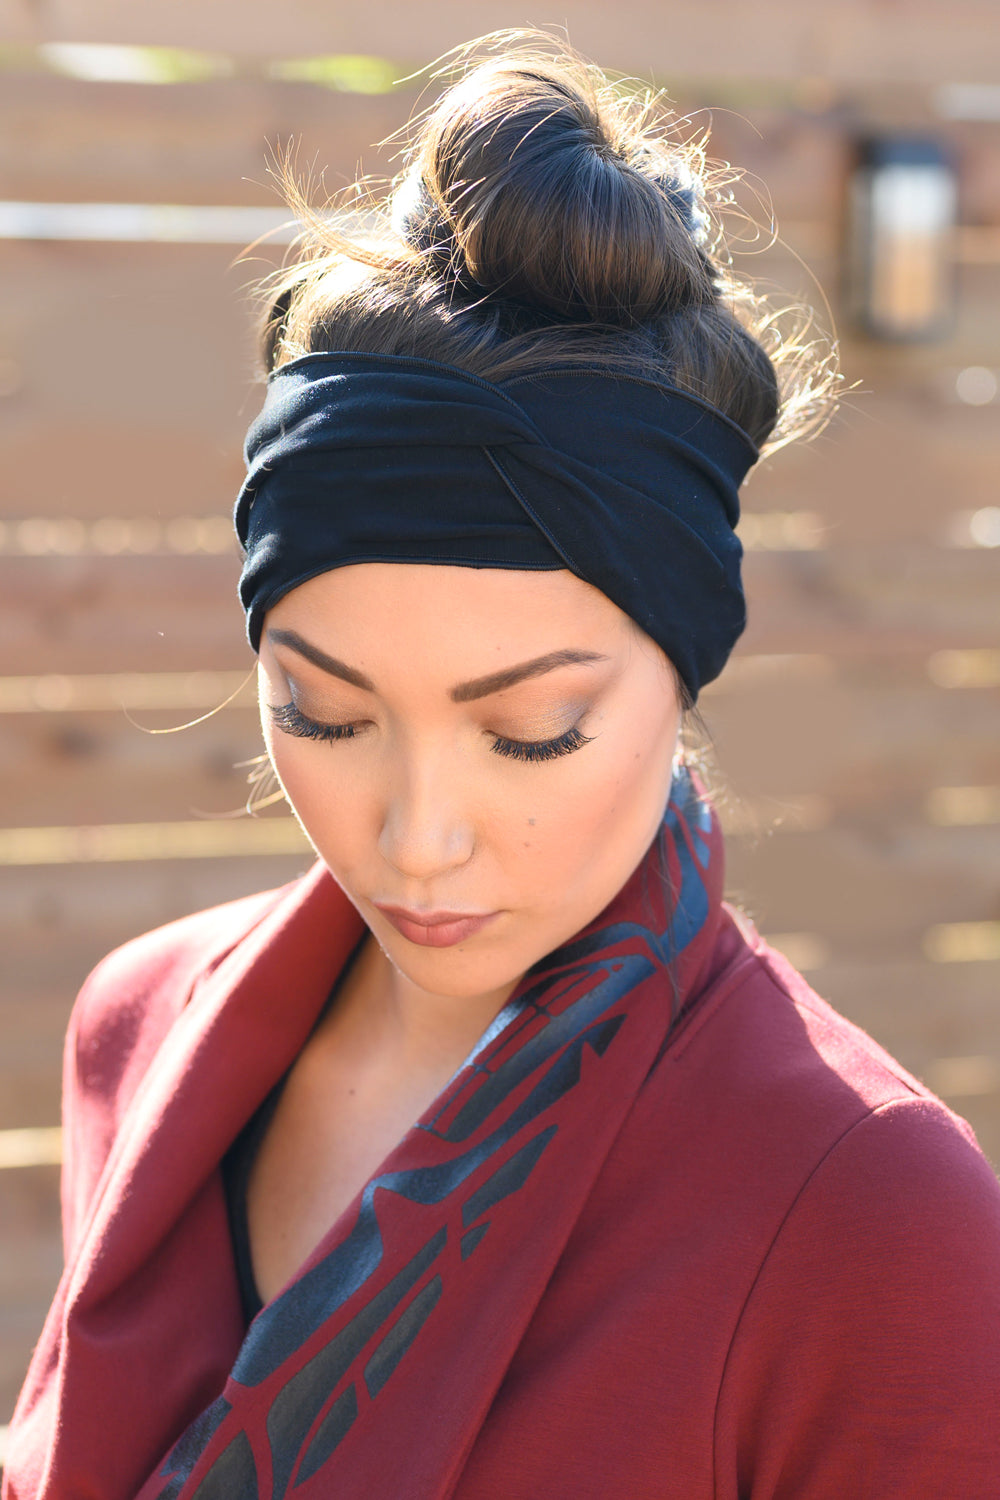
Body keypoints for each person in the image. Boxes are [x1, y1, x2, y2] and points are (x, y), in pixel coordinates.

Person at [5, 31, 1000, 1500]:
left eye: (529, 731)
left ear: (683, 672)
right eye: (322, 712)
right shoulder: (144, 1029)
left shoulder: (865, 1204)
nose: (417, 839)